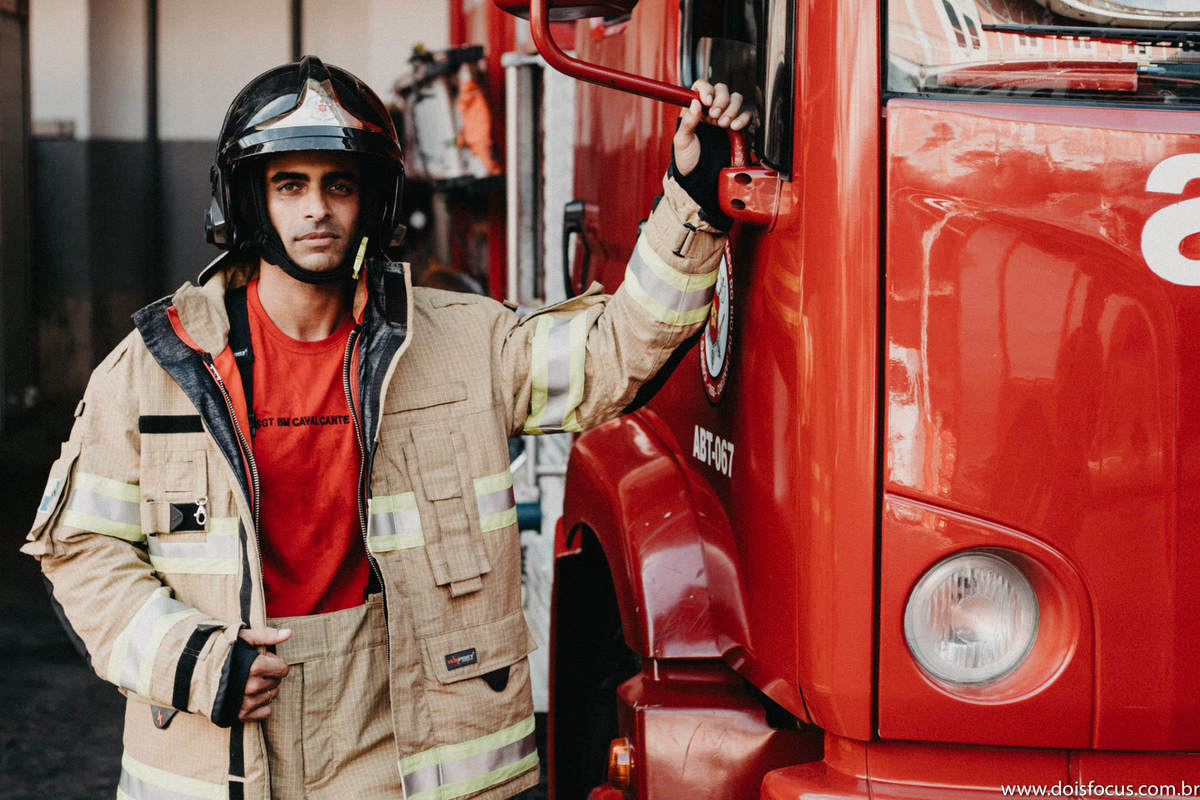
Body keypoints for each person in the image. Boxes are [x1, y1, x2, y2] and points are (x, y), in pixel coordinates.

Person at [22, 56, 749, 800]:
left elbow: (614, 353)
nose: (317, 210)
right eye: (289, 185)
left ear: (372, 202)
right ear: (246, 201)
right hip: (223, 740)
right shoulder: (155, 365)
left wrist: (693, 199)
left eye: (339, 185)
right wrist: (193, 660)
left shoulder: (462, 344)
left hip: (394, 736)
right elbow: (81, 549)